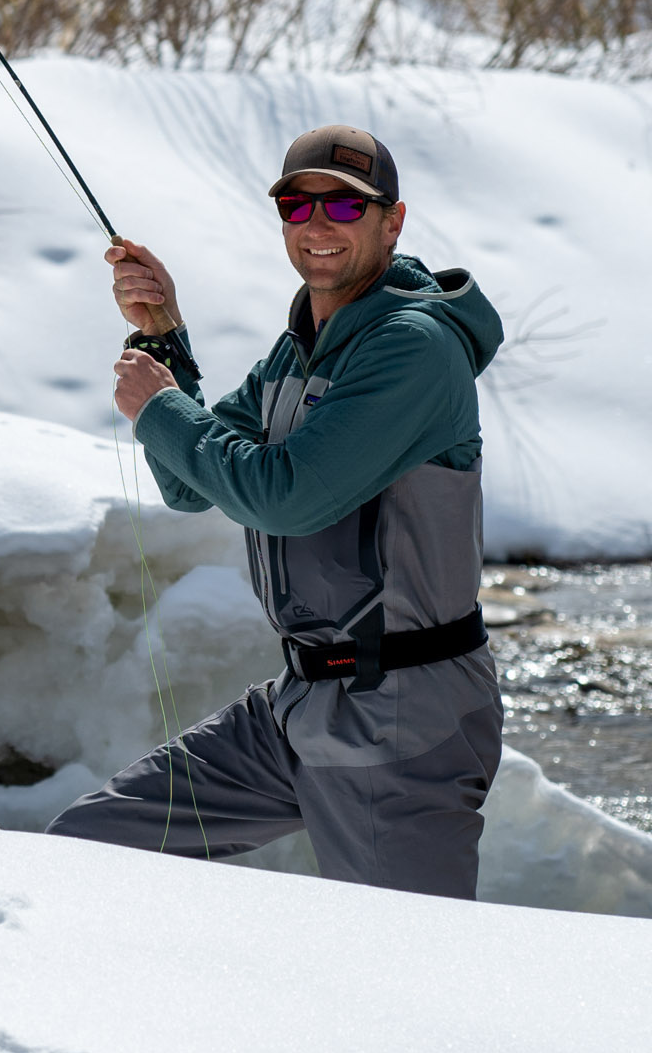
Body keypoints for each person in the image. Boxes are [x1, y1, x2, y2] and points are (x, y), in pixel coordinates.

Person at [45, 123, 505, 899]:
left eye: (346, 207)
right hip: (299, 706)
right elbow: (194, 482)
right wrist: (165, 343)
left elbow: (282, 495)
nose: (319, 224)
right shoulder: (301, 349)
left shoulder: (413, 348)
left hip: (403, 719)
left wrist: (158, 408)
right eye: (298, 204)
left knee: (411, 977)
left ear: (393, 222)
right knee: (85, 852)